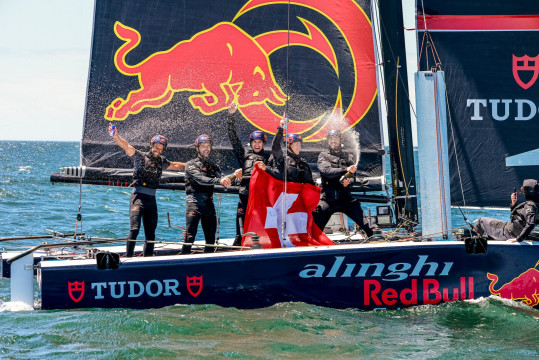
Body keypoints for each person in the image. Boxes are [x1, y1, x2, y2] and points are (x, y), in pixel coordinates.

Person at [109, 124, 185, 257]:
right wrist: (115, 135)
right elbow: (126, 146)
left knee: (151, 234)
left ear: (163, 149)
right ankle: (128, 258)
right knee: (135, 229)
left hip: (151, 201)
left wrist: (193, 165)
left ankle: (147, 260)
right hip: (138, 198)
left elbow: (175, 165)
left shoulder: (162, 161)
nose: (158, 149)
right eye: (156, 146)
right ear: (151, 145)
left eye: (161, 148)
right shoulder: (140, 156)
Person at [182, 134, 239, 254]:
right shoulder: (190, 165)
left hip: (209, 205)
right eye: (203, 146)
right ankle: (182, 265)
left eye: (208, 146)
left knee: (210, 240)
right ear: (197, 148)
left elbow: (225, 180)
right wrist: (220, 181)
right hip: (194, 204)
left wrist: (236, 176)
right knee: (190, 238)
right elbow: (200, 179)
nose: (206, 148)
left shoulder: (214, 166)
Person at [311, 130, 373, 237]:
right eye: (330, 138)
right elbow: (327, 172)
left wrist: (348, 181)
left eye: (335, 138)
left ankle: (377, 233)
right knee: (314, 231)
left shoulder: (347, 156)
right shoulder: (323, 156)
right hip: (327, 200)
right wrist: (346, 169)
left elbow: (352, 175)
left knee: (370, 226)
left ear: (340, 140)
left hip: (346, 199)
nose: (333, 140)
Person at [226, 102, 271, 246]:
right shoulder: (244, 155)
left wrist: (266, 169)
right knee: (240, 234)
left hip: (260, 198)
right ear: (251, 143)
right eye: (254, 142)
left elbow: (276, 175)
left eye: (259, 142)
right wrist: (231, 116)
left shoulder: (269, 158)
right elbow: (233, 139)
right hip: (245, 196)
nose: (256, 144)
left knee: (260, 232)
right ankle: (236, 252)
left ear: (263, 143)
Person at [474, 179, 539, 243]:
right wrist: (514, 203)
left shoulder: (530, 206)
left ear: (528, 191)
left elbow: (530, 224)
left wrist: (518, 239)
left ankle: (473, 243)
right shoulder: (535, 204)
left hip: (507, 233)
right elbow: (521, 218)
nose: (522, 191)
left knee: (481, 221)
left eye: (524, 190)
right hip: (510, 228)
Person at [257, 116, 314, 184]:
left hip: (297, 193)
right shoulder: (282, 158)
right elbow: (275, 146)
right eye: (296, 144)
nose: (299, 147)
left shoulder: (302, 162)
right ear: (288, 145)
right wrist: (281, 128)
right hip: (282, 193)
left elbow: (310, 183)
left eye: (299, 144)